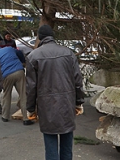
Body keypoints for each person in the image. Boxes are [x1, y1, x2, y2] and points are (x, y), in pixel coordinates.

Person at [26, 25, 85, 160]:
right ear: (52, 36)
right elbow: (77, 81)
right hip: (67, 103)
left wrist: (30, 109)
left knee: (50, 143)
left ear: (39, 37)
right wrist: (79, 102)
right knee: (67, 144)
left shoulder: (33, 56)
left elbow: (31, 88)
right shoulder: (69, 53)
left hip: (46, 106)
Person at [0, 42, 31, 124]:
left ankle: (5, 116)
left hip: (6, 75)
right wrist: (22, 61)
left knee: (6, 95)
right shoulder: (9, 48)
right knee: (23, 94)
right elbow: (20, 52)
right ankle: (25, 118)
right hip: (19, 71)